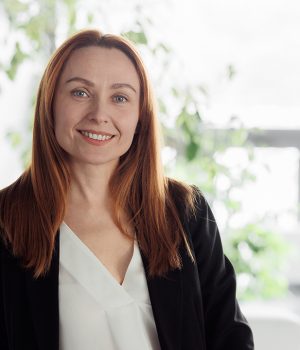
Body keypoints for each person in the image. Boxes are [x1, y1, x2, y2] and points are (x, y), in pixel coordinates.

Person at [0, 29, 254, 350]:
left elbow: (231, 338)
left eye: (120, 98)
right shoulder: (6, 223)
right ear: (50, 103)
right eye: (80, 92)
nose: (99, 115)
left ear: (140, 116)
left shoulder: (185, 211)